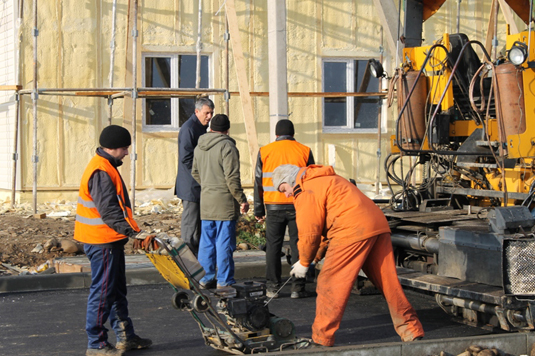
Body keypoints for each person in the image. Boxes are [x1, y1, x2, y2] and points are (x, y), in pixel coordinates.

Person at [271, 164, 425, 347]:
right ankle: (411, 330)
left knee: (330, 283)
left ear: (290, 181)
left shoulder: (305, 189)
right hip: (376, 225)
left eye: (284, 189)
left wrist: (304, 262)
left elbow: (309, 233)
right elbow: (325, 228)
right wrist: (314, 257)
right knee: (388, 283)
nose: (287, 195)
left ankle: (322, 339)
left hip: (352, 230)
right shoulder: (327, 180)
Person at [74, 125, 152, 356]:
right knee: (103, 291)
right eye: (125, 148)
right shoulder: (101, 171)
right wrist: (134, 233)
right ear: (114, 147)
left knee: (116, 290)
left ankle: (125, 336)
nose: (127, 153)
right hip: (102, 241)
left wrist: (132, 231)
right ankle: (96, 343)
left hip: (108, 240)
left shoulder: (106, 166)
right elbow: (109, 212)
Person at [253, 119, 315, 299]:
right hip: (298, 204)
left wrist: (259, 210)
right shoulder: (304, 150)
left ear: (276, 135)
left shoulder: (265, 151)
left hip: (273, 205)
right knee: (298, 245)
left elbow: (258, 181)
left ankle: (273, 287)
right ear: (293, 134)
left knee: (273, 246)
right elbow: (311, 179)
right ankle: (297, 287)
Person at [191, 114, 249, 289]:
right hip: (224, 202)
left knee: (206, 241)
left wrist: (208, 186)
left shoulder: (199, 146)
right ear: (227, 130)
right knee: (224, 242)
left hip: (206, 200)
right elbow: (232, 178)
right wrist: (242, 199)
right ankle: (224, 280)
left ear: (211, 128)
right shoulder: (227, 146)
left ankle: (205, 277)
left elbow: (194, 172)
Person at [175, 97, 214, 257]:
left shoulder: (199, 128)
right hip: (191, 186)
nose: (209, 116)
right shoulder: (189, 129)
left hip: (197, 185)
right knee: (190, 228)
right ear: (197, 112)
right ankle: (189, 262)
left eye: (211, 113)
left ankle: (196, 260)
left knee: (196, 226)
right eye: (207, 113)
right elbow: (186, 158)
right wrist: (203, 176)